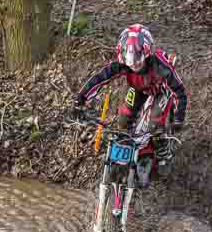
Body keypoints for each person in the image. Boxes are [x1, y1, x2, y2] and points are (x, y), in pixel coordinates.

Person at [73, 24, 187, 166]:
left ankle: (164, 151)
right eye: (130, 64)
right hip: (137, 87)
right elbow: (101, 77)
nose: (134, 67)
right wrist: (81, 98)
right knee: (123, 119)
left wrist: (179, 117)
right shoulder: (124, 64)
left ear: (147, 54)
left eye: (138, 63)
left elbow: (179, 92)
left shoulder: (162, 66)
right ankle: (126, 147)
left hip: (161, 91)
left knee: (156, 124)